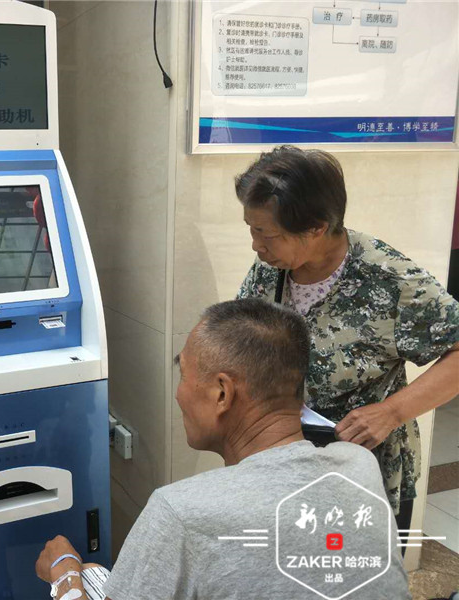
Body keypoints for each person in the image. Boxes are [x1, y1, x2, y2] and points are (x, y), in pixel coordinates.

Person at [35, 299, 410, 600]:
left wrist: (63, 572)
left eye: (183, 375)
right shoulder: (359, 464)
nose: (179, 394)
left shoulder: (182, 511)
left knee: (86, 574)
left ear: (222, 394)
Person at [234, 145, 459, 531]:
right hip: (282, 463)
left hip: (361, 476)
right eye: (252, 230)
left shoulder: (390, 280)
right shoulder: (270, 267)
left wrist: (391, 412)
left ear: (317, 228)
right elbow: (242, 331)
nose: (257, 245)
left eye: (266, 234)